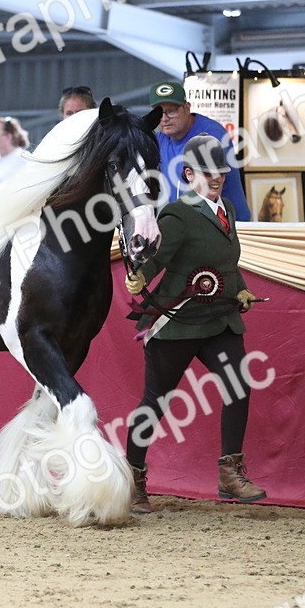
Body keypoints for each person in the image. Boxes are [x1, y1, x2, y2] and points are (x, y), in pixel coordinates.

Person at [123, 133, 267, 514]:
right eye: (207, 171)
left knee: (239, 386)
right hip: (179, 323)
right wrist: (139, 275)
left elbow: (225, 264)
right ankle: (132, 477)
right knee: (156, 402)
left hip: (219, 319)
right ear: (189, 174)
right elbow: (157, 258)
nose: (216, 177)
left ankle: (229, 473)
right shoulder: (178, 213)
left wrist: (241, 290)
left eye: (220, 170)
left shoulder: (229, 210)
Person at [148, 79, 252, 220]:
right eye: (159, 113)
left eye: (171, 111)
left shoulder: (211, 136)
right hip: (186, 224)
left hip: (226, 226)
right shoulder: (161, 138)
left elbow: (211, 193)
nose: (164, 118)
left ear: (187, 107)